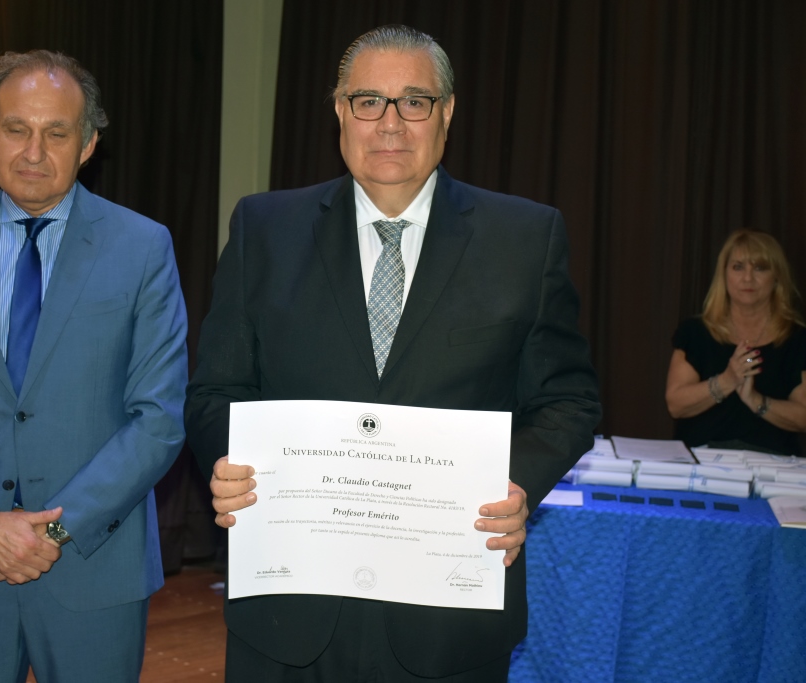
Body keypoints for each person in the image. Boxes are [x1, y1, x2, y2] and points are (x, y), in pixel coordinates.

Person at [185, 25, 601, 681]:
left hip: (448, 615)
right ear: (339, 110)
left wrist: (514, 484)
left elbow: (569, 399)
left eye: (415, 101)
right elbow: (215, 392)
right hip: (289, 609)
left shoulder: (525, 238)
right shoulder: (264, 228)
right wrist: (226, 462)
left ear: (448, 113)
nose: (390, 123)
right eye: (368, 101)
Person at [0, 50, 188, 681]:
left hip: (92, 570)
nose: (33, 152)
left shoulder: (143, 247)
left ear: (90, 142)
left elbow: (158, 418)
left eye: (57, 133)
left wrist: (55, 532)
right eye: (16, 129)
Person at [666, 229, 806, 454]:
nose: (748, 278)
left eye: (760, 268)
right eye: (738, 267)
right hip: (703, 459)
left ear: (777, 276)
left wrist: (756, 401)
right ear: (724, 274)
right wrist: (727, 380)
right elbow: (675, 404)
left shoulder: (798, 339)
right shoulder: (696, 332)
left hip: (774, 466)